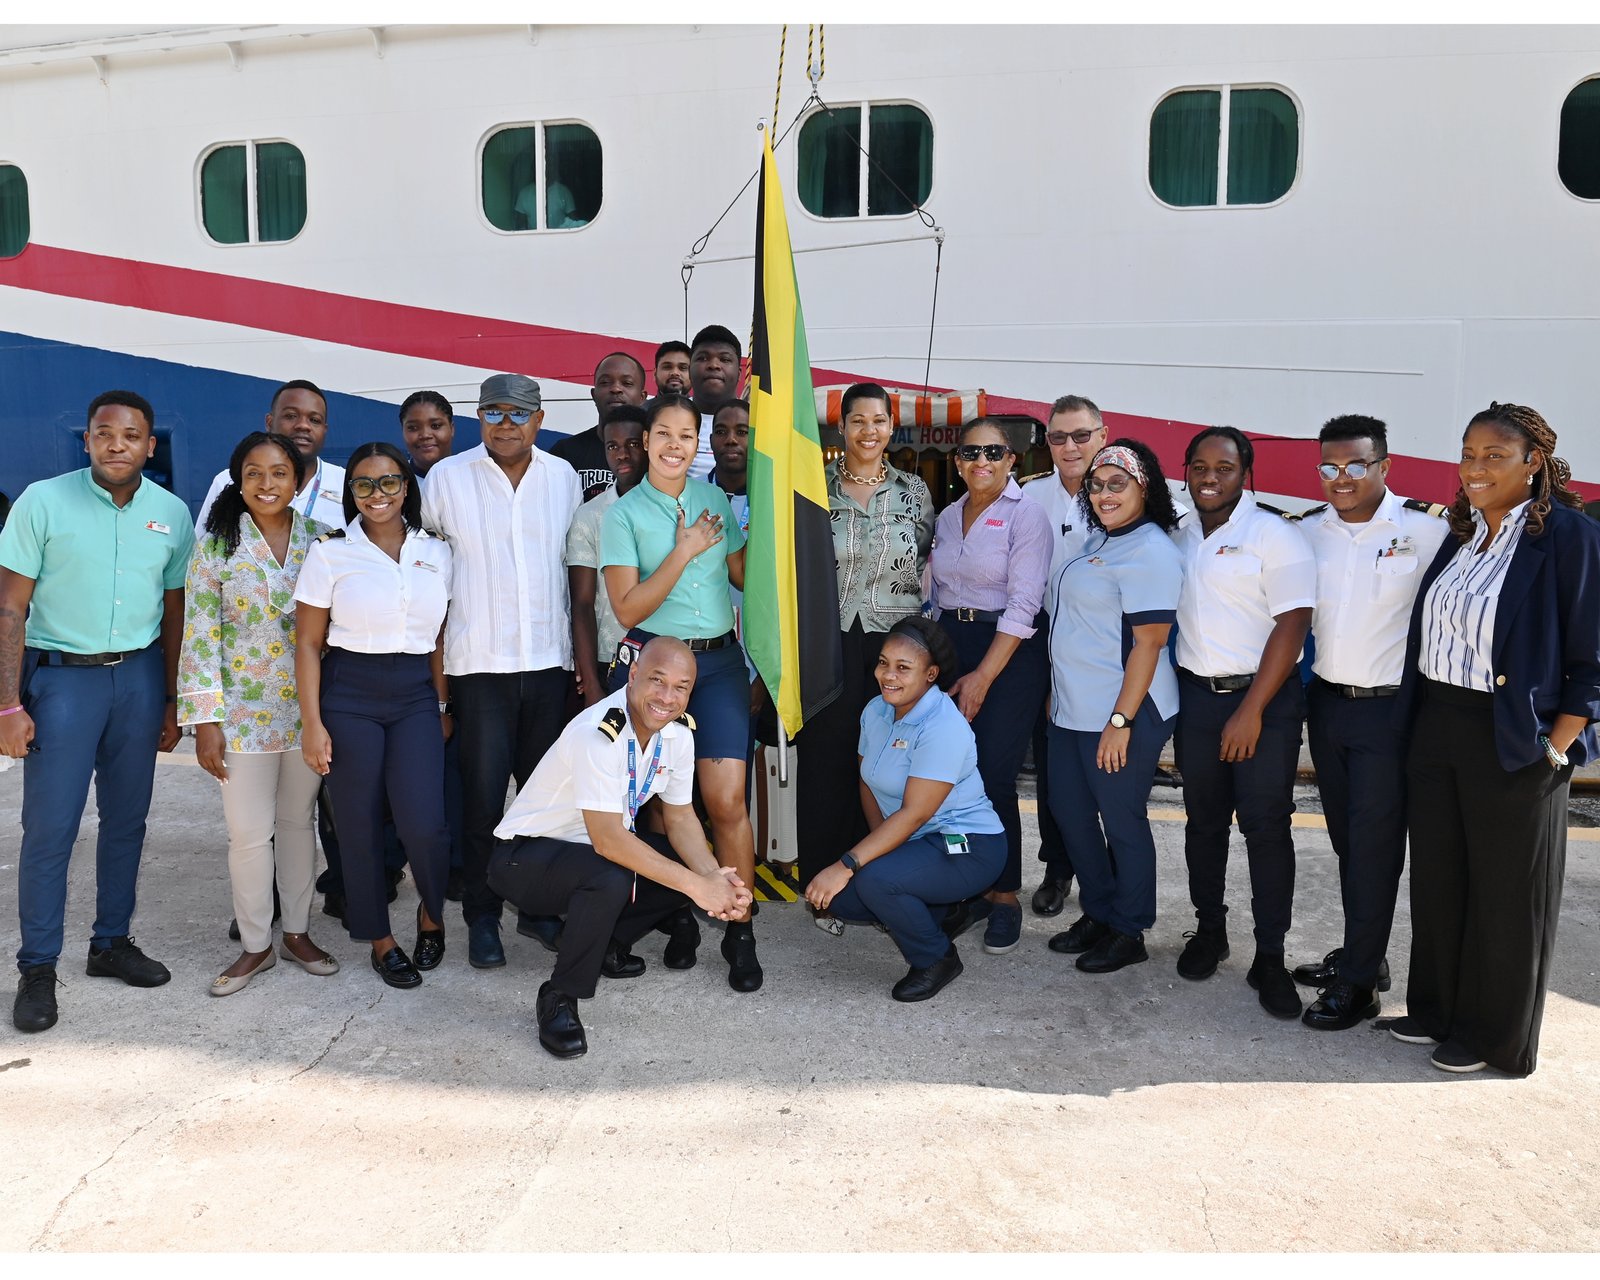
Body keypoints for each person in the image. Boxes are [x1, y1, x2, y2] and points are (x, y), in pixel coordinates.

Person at [1388, 403, 1600, 1076]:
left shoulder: (1566, 537)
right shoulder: (1464, 533)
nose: (1476, 468)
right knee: (1441, 877)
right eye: (1469, 453)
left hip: (1511, 736)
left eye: (1494, 455)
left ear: (1532, 462)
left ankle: (1493, 1036)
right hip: (1438, 727)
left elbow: (1593, 659)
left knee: (1507, 895)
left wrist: (1558, 748)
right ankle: (1436, 1009)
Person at [2, 390, 195, 1034]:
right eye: (105, 433)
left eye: (132, 435)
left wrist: (170, 700)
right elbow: (10, 609)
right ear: (86, 441)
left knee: (127, 820)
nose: (118, 444)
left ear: (150, 445)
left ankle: (110, 942)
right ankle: (36, 967)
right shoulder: (42, 501)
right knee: (51, 829)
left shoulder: (171, 513)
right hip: (62, 681)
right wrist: (6, 703)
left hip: (138, 679)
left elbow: (175, 614)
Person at [489, 637, 753, 1058]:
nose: (667, 697)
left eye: (681, 687)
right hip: (524, 855)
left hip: (588, 851)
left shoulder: (678, 732)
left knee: (671, 865)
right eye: (657, 680)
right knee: (612, 875)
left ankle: (606, 944)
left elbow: (681, 816)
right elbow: (610, 841)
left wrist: (711, 877)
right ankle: (560, 995)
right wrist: (697, 887)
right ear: (633, 676)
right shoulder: (599, 733)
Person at [420, 373, 582, 968]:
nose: (507, 424)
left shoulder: (562, 479)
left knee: (543, 801)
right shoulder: (447, 479)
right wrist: (437, 691)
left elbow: (573, 573)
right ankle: (482, 919)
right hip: (478, 669)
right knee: (483, 804)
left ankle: (538, 912)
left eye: (520, 413)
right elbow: (428, 581)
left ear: (539, 421)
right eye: (494, 412)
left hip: (547, 667)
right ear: (478, 418)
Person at [601, 393, 761, 991]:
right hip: (654, 671)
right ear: (645, 442)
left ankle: (739, 926)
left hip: (718, 668)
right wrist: (683, 549)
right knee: (657, 804)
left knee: (725, 803)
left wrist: (775, 524)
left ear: (698, 445)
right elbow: (626, 608)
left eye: (686, 435)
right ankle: (678, 918)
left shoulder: (714, 498)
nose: (674, 445)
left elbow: (743, 574)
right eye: (663, 433)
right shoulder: (623, 516)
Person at [1293, 415, 1448, 1031]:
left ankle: (1359, 985)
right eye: (1329, 467)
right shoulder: (1307, 535)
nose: (1341, 478)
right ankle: (1367, 954)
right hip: (1328, 707)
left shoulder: (1427, 532)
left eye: (1356, 465)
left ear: (1385, 466)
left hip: (1390, 713)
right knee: (1346, 843)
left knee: (1376, 849)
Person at [178, 431, 338, 994]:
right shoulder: (216, 546)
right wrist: (205, 723)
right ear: (237, 480)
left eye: (278, 473)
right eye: (253, 473)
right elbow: (198, 636)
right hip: (241, 716)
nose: (266, 484)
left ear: (300, 480)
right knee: (248, 834)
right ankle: (255, 945)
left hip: (306, 713)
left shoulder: (324, 541)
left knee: (298, 825)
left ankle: (296, 933)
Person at [295, 443, 454, 989]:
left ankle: (431, 914)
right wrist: (313, 724)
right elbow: (308, 645)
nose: (378, 494)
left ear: (406, 488)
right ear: (352, 493)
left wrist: (440, 703)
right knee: (357, 826)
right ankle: (380, 940)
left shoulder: (436, 552)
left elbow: (437, 637)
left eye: (389, 482)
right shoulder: (330, 553)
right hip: (350, 695)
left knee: (424, 823)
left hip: (413, 694)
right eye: (364, 485)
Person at [1172, 426, 1315, 1020]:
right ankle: (1210, 931)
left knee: (1265, 828)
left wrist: (1251, 710)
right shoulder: (1176, 532)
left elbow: (1294, 624)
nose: (1210, 477)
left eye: (1224, 468)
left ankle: (1271, 957)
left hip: (1263, 701)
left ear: (1245, 473)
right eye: (1200, 466)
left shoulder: (1275, 535)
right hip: (1197, 700)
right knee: (1203, 824)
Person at [804, 617, 1005, 1002]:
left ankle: (937, 958)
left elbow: (915, 814)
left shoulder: (942, 725)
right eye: (883, 663)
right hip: (919, 839)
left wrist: (848, 864)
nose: (888, 676)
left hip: (968, 844)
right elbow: (866, 779)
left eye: (903, 668)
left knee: (873, 882)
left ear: (931, 674)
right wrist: (878, 852)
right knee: (846, 899)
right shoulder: (875, 711)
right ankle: (945, 911)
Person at [1043, 440, 1183, 973]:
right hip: (1072, 711)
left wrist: (1120, 722)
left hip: (1124, 713)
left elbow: (1148, 644)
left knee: (1121, 821)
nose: (1104, 494)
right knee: (1072, 816)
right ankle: (1099, 912)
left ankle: (1130, 928)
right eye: (1097, 485)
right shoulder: (1098, 541)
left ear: (1144, 487)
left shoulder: (1151, 550)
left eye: (1116, 484)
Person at [796, 382, 934, 908]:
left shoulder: (914, 492)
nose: (868, 431)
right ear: (842, 426)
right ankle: (820, 882)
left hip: (892, 648)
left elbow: (925, 562)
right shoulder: (813, 488)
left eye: (878, 421)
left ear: (891, 426)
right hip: (827, 642)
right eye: (858, 421)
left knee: (883, 762)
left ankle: (876, 879)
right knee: (826, 759)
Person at [927, 418, 1052, 956]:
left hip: (1009, 651)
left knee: (996, 776)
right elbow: (937, 593)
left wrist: (982, 676)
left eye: (993, 451)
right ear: (957, 462)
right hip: (952, 643)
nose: (982, 460)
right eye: (970, 451)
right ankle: (966, 887)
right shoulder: (949, 516)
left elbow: (1024, 604)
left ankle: (1004, 894)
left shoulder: (1028, 517)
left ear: (1011, 461)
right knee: (950, 775)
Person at [1024, 394, 1109, 918]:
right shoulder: (1031, 498)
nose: (1070, 447)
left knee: (1112, 771)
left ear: (1103, 435)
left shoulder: (1134, 492)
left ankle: (1115, 874)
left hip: (1110, 648)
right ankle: (1059, 869)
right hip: (1046, 640)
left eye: (1081, 435)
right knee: (1054, 770)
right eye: (1058, 437)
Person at [568, 404, 648, 707]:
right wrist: (590, 684)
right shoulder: (589, 515)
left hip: (667, 655)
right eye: (612, 446)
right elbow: (582, 603)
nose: (622, 455)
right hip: (610, 660)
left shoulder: (675, 507)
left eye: (632, 444)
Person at [194, 380, 347, 530]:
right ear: (269, 422)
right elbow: (203, 546)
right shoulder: (227, 481)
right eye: (291, 416)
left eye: (314, 420)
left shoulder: (346, 484)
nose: (303, 425)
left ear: (324, 430)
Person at [552, 352, 649, 500]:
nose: (616, 389)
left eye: (627, 383)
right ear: (593, 394)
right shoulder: (566, 453)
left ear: (642, 397)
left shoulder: (655, 453)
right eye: (605, 382)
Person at [686, 324, 742, 480]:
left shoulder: (756, 422)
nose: (714, 365)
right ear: (689, 369)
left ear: (739, 373)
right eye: (703, 358)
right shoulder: (667, 418)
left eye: (724, 359)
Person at [400, 390, 457, 479]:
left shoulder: (472, 476)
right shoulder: (393, 483)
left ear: (452, 428)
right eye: (413, 428)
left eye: (435, 426)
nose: (425, 435)